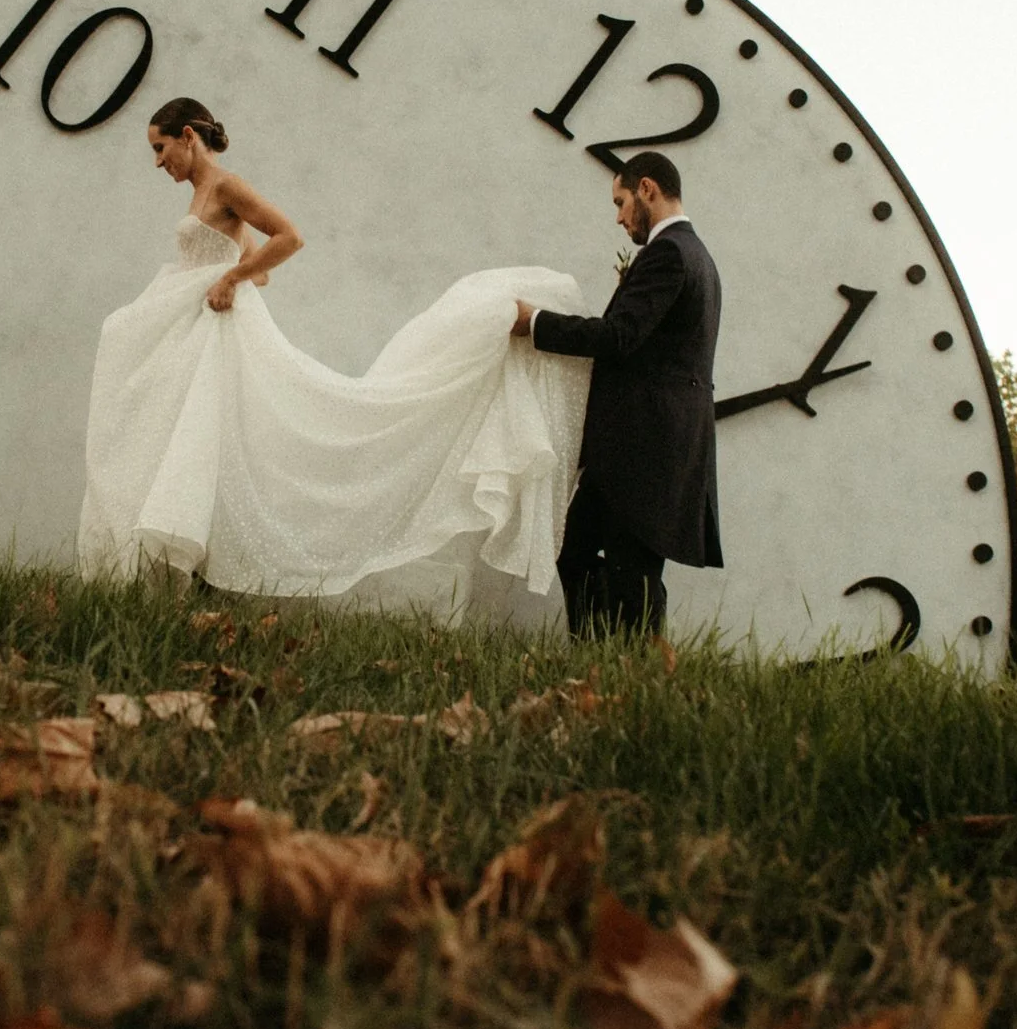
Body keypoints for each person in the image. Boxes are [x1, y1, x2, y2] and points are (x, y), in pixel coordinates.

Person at [77, 98, 592, 611]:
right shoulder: (202, 192)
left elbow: (289, 237)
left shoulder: (226, 185)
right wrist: (234, 273)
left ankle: (193, 577)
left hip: (217, 337)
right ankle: (179, 581)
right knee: (190, 441)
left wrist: (230, 278)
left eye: (160, 147)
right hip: (198, 332)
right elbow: (260, 265)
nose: (157, 162)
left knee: (205, 439)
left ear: (188, 136)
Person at [512, 151, 724, 636]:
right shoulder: (699, 258)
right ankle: (604, 662)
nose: (619, 216)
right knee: (584, 554)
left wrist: (536, 323)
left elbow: (619, 336)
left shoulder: (669, 253)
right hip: (652, 441)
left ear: (647, 188)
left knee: (632, 568)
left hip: (646, 442)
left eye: (621, 201)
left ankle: (630, 672)